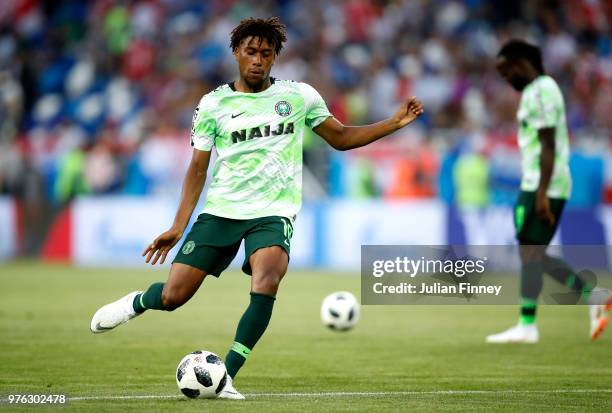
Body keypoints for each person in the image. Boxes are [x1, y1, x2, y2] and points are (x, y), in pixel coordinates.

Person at [90, 17, 424, 398]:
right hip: (222, 211)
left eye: (266, 54)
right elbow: (197, 168)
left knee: (267, 279)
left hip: (273, 211)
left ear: (275, 57)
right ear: (236, 52)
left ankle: (225, 375)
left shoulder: (299, 97)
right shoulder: (213, 104)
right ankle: (136, 302)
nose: (258, 60)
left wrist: (394, 122)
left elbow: (342, 138)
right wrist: (179, 224)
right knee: (173, 297)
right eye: (251, 52)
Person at [486, 39, 611, 344]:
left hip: (545, 183)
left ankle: (530, 324)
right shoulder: (536, 91)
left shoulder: (542, 90)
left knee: (532, 251)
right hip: (538, 181)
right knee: (532, 252)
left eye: (506, 73)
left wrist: (542, 192)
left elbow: (548, 143)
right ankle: (586, 299)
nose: (506, 80)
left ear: (519, 64)